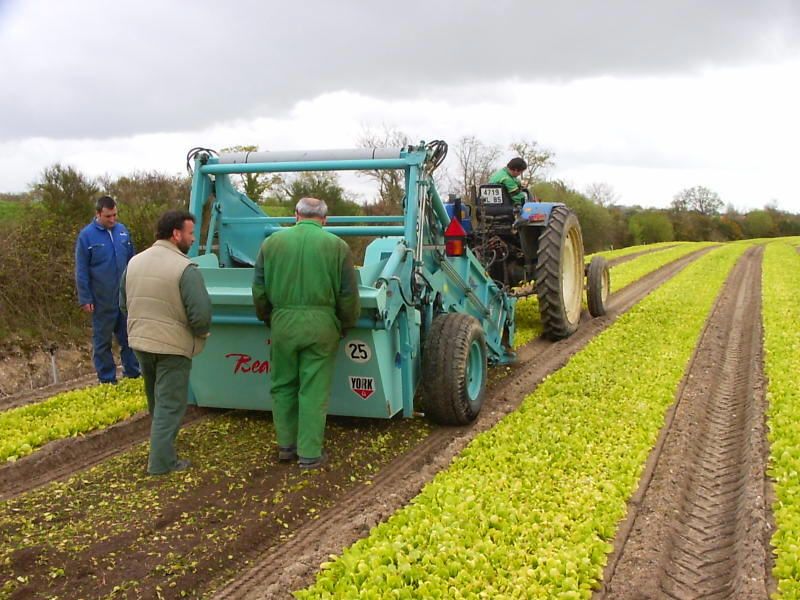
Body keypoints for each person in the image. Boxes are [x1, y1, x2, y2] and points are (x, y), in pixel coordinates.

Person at [252, 197, 360, 469]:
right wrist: (345, 324)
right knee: (313, 389)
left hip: (282, 322)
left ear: (296, 215)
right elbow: (348, 295)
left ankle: (286, 447)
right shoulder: (338, 246)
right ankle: (310, 454)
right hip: (322, 325)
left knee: (283, 385)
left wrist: (270, 318)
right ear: (325, 219)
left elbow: (259, 290)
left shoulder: (271, 244)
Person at [120, 210, 212, 475]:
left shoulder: (134, 263)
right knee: (170, 405)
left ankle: (160, 449)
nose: (193, 239)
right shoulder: (186, 269)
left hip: (140, 343)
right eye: (191, 233)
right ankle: (161, 463)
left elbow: (123, 303)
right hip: (172, 347)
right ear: (176, 234)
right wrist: (199, 335)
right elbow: (201, 316)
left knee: (156, 401)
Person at [75, 195, 140, 384]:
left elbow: (132, 262)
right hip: (101, 298)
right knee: (102, 342)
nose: (112, 220)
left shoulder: (122, 232)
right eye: (108, 216)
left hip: (124, 297)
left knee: (128, 337)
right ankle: (107, 379)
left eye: (115, 215)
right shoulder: (86, 236)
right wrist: (85, 298)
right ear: (98, 214)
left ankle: (133, 373)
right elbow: (81, 269)